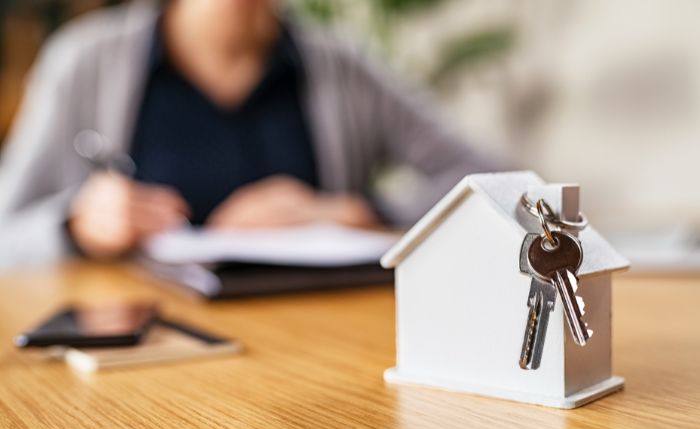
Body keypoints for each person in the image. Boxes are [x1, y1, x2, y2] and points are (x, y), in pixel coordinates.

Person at [0, 0, 500, 267]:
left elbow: (492, 181)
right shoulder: (83, 64)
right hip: (142, 354)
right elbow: (7, 235)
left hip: (318, 351)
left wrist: (357, 212)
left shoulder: (345, 67)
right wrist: (73, 224)